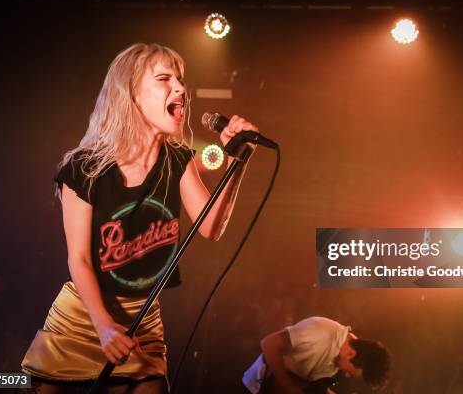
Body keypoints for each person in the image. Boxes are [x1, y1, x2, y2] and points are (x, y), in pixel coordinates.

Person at [21, 43, 258, 393]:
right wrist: (103, 327)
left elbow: (211, 226)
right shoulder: (84, 168)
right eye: (164, 79)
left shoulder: (178, 160)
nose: (180, 88)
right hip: (84, 318)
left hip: (142, 320)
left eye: (180, 80)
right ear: (130, 96)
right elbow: (79, 258)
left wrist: (239, 161)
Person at [243, 317, 390, 394]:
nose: (346, 376)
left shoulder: (341, 357)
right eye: (350, 373)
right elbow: (269, 344)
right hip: (257, 387)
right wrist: (289, 387)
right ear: (352, 354)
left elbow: (310, 385)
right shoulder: (320, 331)